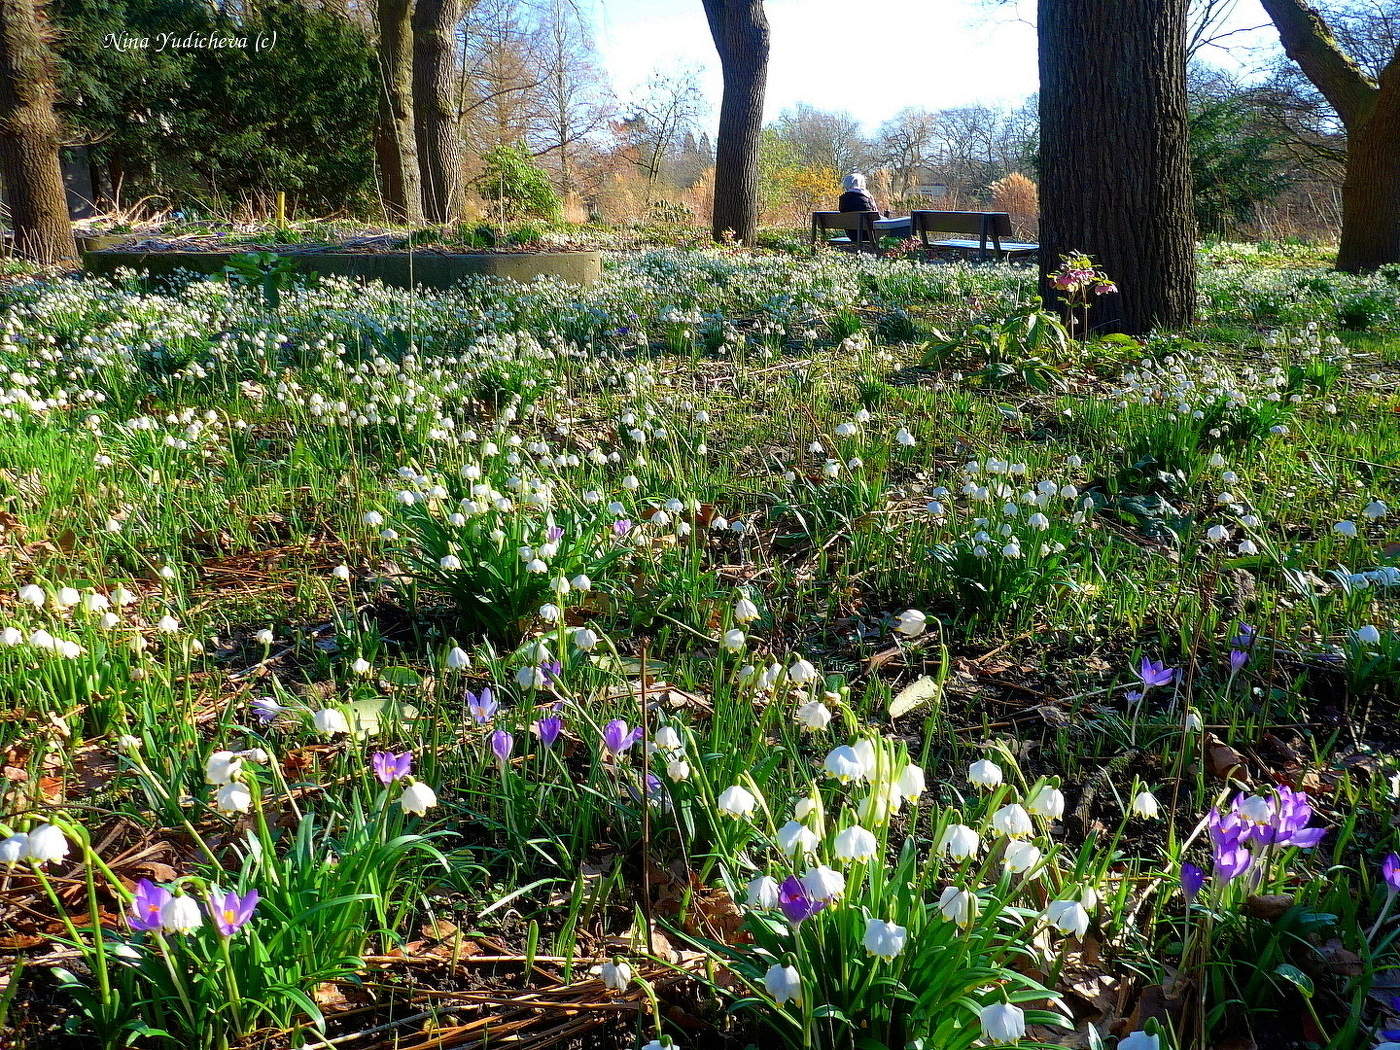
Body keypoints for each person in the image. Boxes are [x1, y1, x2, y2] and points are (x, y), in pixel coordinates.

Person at [837, 172, 887, 244]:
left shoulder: (842, 199)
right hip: (868, 235)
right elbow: (874, 217)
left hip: (852, 235)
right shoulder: (865, 198)